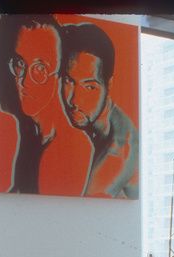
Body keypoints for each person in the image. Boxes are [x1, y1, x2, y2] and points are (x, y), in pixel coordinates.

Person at [0, 14, 90, 194]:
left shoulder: (66, 149)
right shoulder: (29, 133)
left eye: (40, 68)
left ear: (59, 74)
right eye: (20, 63)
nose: (25, 82)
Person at [59, 22, 139, 199]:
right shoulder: (94, 129)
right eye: (69, 81)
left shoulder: (119, 147)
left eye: (89, 87)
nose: (74, 100)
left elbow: (84, 213)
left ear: (108, 86)